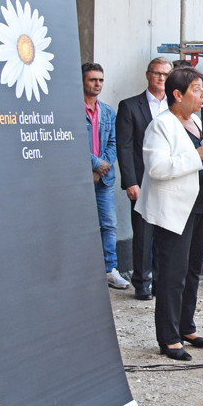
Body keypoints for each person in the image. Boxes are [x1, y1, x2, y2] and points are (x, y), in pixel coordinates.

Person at [135, 67, 203, 361]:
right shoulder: (162, 125)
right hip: (173, 210)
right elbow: (157, 168)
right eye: (196, 89)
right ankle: (168, 338)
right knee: (172, 273)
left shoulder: (195, 121)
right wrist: (197, 157)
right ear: (177, 94)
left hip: (197, 206)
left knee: (194, 269)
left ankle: (187, 327)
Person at [116, 57, 173, 301]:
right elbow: (125, 147)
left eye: (166, 75)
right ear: (148, 75)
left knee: (166, 234)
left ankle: (161, 281)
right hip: (142, 180)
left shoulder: (175, 105)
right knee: (142, 234)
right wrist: (130, 181)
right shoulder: (130, 106)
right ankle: (141, 283)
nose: (161, 78)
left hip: (170, 179)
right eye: (157, 73)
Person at [83, 63, 128, 289]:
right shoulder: (72, 111)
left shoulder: (108, 112)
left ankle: (110, 269)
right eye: (92, 80)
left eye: (100, 80)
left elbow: (113, 143)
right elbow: (73, 143)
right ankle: (83, 272)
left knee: (109, 225)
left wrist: (103, 166)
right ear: (82, 81)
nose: (97, 84)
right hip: (80, 179)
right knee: (80, 225)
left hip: (104, 178)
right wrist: (94, 164)